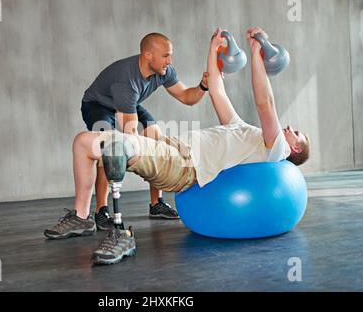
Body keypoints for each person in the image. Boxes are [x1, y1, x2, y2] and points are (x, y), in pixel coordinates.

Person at [46, 27, 311, 265]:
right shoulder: (242, 129)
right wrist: (213, 49)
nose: (289, 128)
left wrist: (257, 54)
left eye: (296, 133)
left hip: (182, 165)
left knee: (119, 143)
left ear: (294, 149)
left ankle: (120, 233)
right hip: (174, 147)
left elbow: (265, 103)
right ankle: (82, 216)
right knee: (83, 142)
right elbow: (216, 90)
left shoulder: (274, 149)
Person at [45, 32, 209, 236]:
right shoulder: (126, 80)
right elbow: (129, 134)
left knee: (154, 137)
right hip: (99, 105)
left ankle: (156, 203)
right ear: (149, 55)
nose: (170, 60)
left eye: (170, 55)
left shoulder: (164, 71)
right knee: (111, 148)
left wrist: (204, 86)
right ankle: (101, 211)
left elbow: (187, 97)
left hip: (128, 103)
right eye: (166, 55)